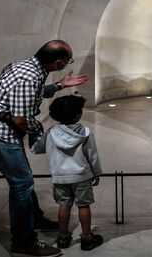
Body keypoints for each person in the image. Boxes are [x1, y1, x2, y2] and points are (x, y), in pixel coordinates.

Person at [0, 40, 88, 256]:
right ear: (57, 62)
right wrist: (43, 136)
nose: (67, 65)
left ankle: (35, 218)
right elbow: (20, 119)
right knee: (22, 183)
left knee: (24, 179)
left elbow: (34, 93)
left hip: (4, 128)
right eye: (68, 61)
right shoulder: (29, 76)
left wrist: (60, 86)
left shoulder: (27, 66)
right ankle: (23, 242)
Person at [35, 95, 104, 251]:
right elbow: (92, 155)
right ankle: (87, 238)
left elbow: (38, 148)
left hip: (60, 177)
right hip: (81, 176)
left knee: (64, 205)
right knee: (84, 205)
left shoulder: (51, 132)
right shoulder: (85, 132)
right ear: (77, 115)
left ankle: (63, 237)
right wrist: (96, 172)